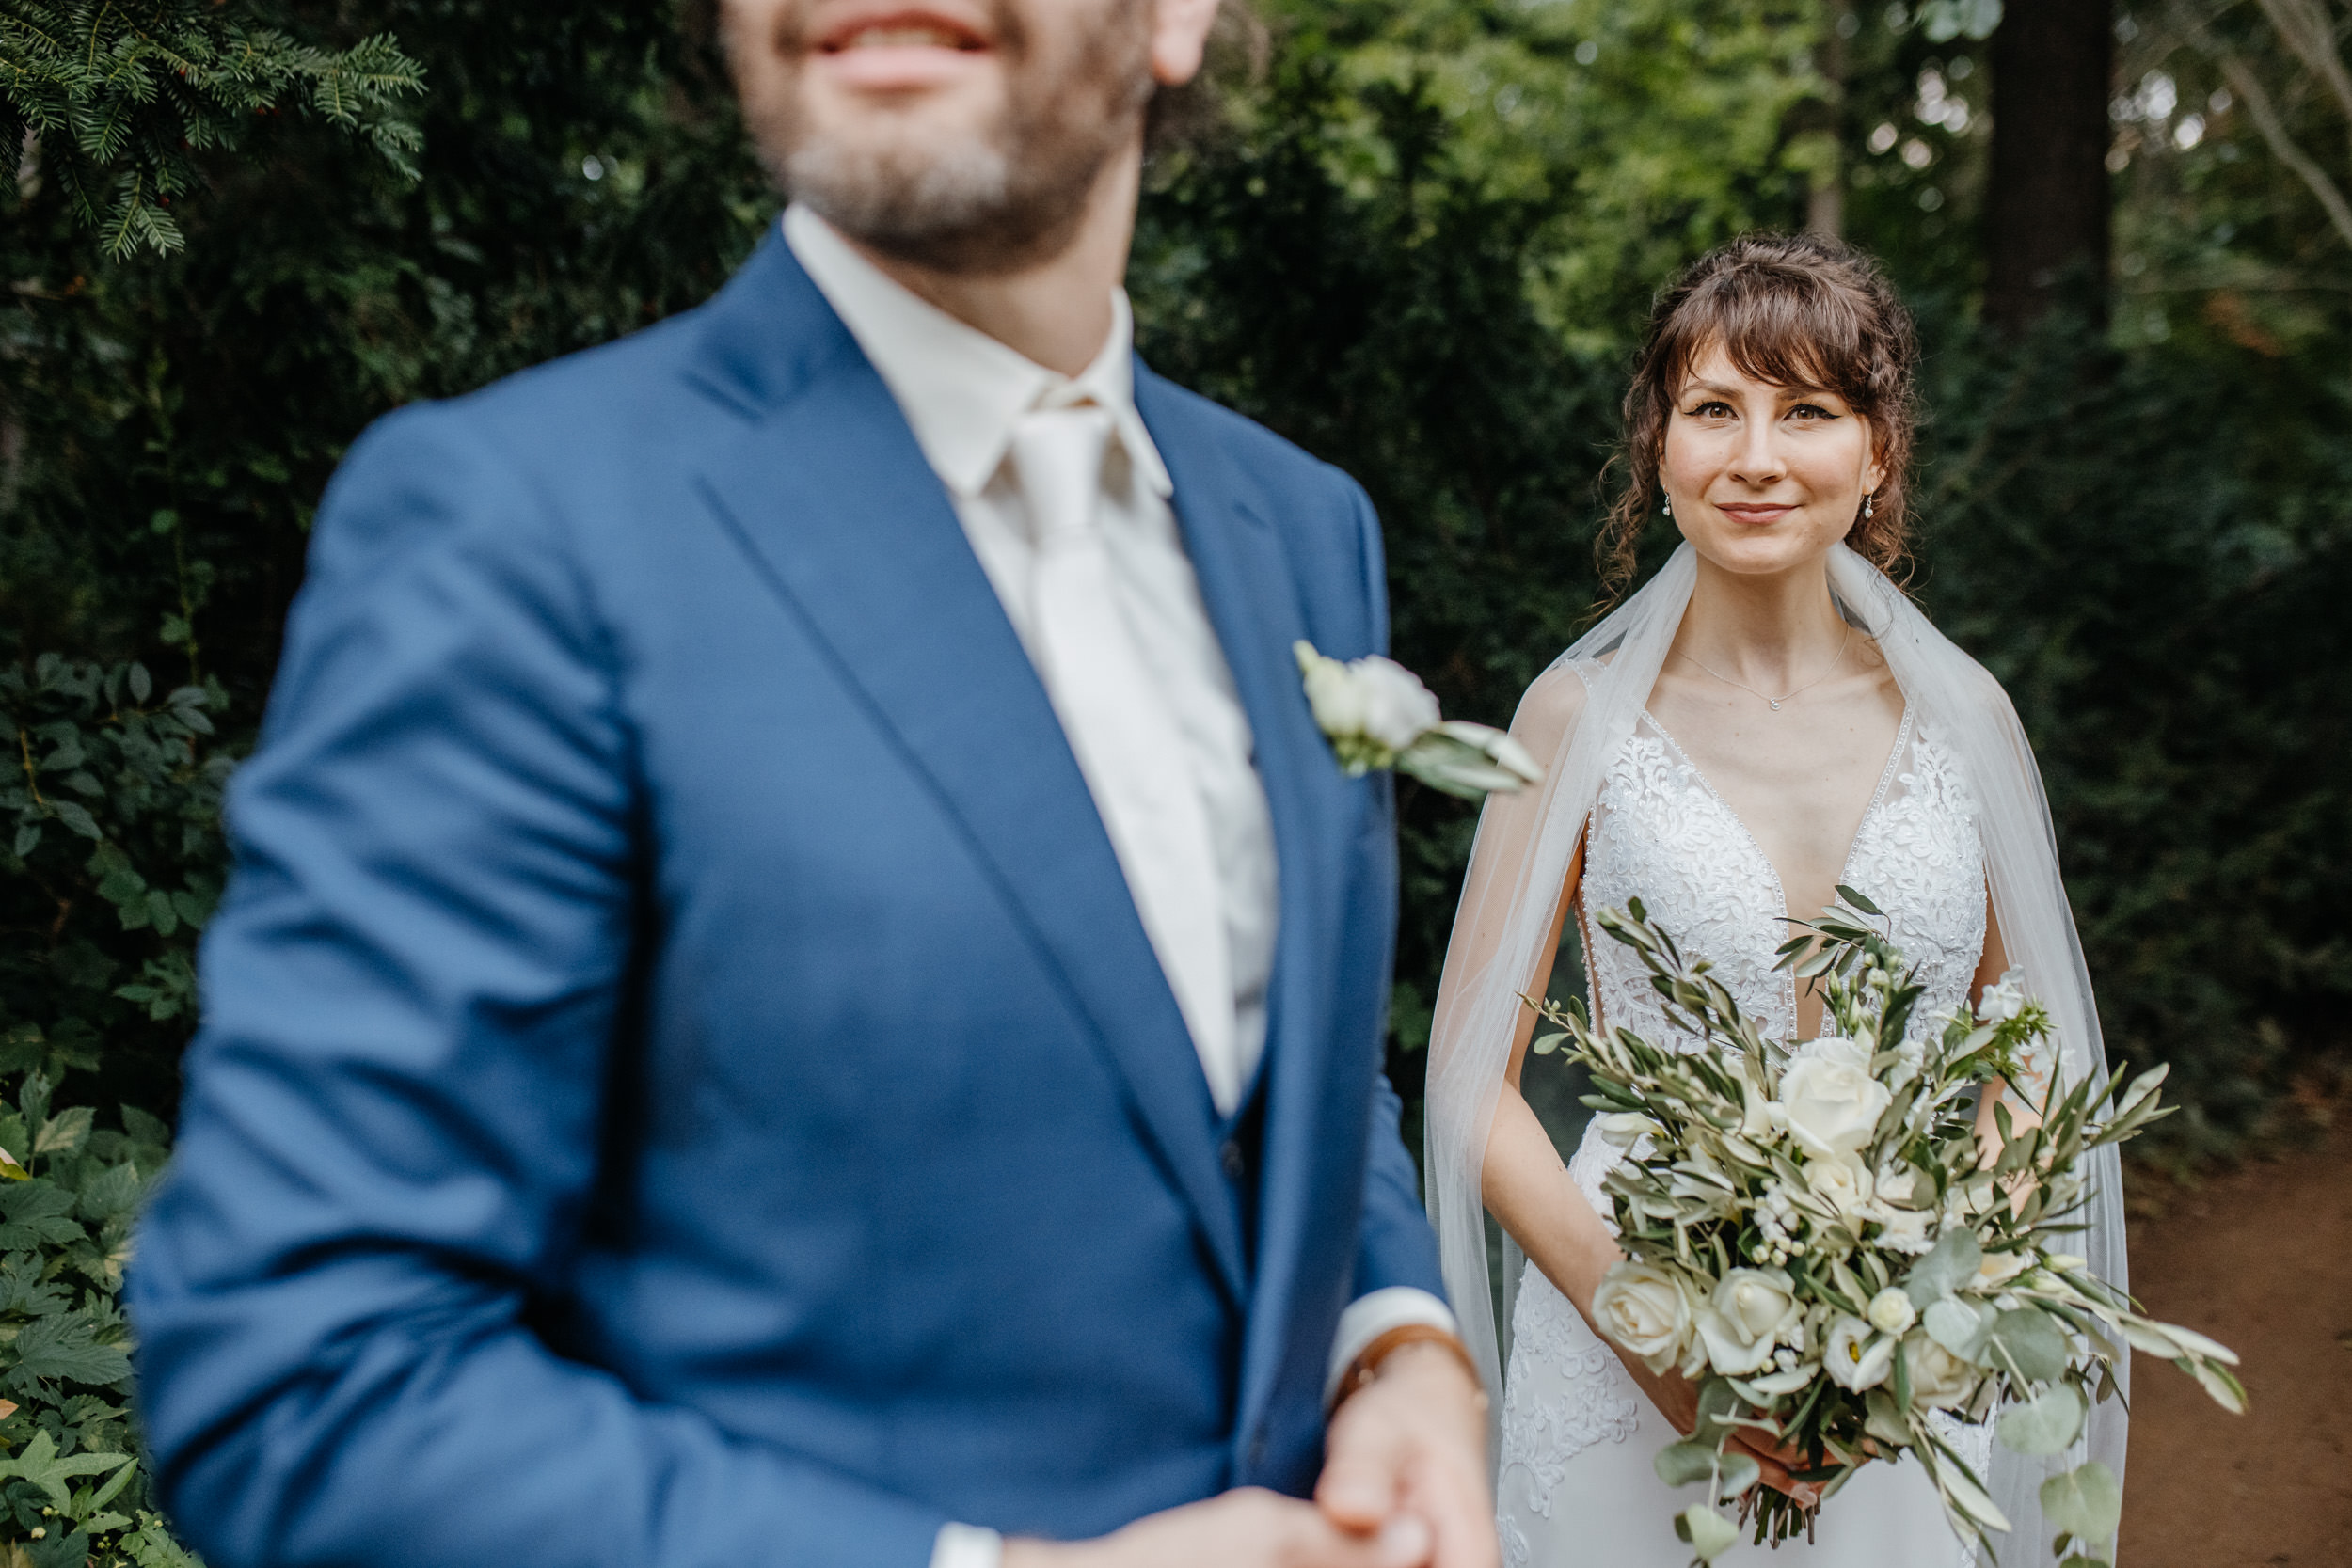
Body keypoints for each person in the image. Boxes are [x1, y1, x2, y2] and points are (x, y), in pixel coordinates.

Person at [125, 4, 1497, 1567]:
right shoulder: (518, 529)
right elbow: (305, 1380)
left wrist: (1398, 1350)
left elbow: (1287, 1076)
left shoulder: (1300, 527)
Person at [1419, 234, 2130, 1567]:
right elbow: (1470, 1082)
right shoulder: (1574, 720)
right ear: (1661, 450)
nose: (1757, 455)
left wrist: (1939, 1304)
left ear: (1880, 455)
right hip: (1631, 1326)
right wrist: (1672, 1349)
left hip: (1904, 1349)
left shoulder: (1965, 716)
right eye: (1714, 409)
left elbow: (2026, 1033)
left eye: (1808, 409)